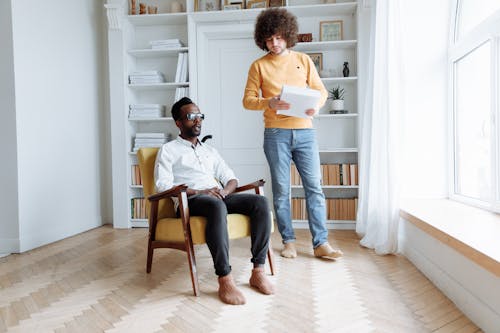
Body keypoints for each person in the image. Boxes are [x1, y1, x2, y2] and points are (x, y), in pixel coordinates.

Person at [242, 8, 343, 260]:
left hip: (305, 133)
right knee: (282, 190)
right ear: (262, 39)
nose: (274, 44)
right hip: (276, 134)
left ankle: (321, 244)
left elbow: (321, 91)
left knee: (314, 188)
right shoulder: (258, 66)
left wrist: (315, 107)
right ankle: (288, 241)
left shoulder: (303, 60)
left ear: (287, 35)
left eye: (278, 37)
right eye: (269, 39)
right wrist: (269, 102)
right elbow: (248, 100)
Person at [154, 97, 274, 305]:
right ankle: (225, 279)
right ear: (178, 123)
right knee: (215, 204)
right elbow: (162, 186)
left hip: (217, 197)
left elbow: (231, 178)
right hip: (189, 201)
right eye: (191, 117)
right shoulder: (169, 150)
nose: (198, 121)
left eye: (199, 116)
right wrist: (201, 191)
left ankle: (258, 271)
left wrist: (225, 191)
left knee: (260, 203)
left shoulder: (209, 150)